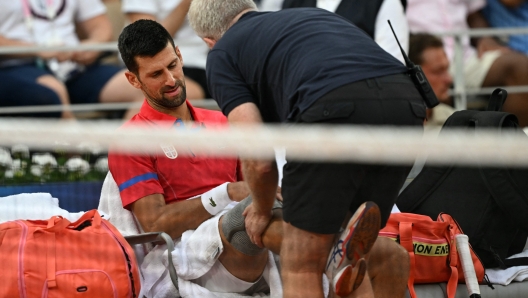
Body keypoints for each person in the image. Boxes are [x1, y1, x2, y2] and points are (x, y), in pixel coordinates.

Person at [188, 1, 422, 297]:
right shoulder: (310, 17)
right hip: (407, 108)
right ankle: (342, 254)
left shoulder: (222, 52)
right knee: (348, 254)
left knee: (302, 262)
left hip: (333, 110)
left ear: (209, 41)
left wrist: (260, 209)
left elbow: (257, 156)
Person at [109, 19, 285, 296]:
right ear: (133, 79)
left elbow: (252, 195)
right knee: (245, 215)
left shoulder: (223, 121)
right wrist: (225, 194)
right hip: (188, 257)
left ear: (180, 54)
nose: (170, 80)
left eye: (172, 65)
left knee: (277, 202)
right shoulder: (130, 139)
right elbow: (154, 224)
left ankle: (329, 246)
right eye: (156, 74)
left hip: (252, 245)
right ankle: (326, 251)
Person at [0, 0, 144, 119]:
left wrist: (93, 45)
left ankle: (119, 151)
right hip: (16, 64)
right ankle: (78, 152)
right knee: (53, 89)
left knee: (143, 86)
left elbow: (101, 28)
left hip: (73, 65)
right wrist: (36, 49)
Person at [406, 0, 528, 127]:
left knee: (521, 66)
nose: (448, 79)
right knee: (420, 76)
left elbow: (474, 14)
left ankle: (514, 141)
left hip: (465, 55)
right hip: (420, 55)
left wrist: (484, 38)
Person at [121, 0, 211, 100]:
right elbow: (148, 40)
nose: (171, 81)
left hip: (207, 62)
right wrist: (187, 3)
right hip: (161, 62)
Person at [281, 0, 409, 63]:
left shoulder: (385, 2)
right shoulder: (293, 2)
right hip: (297, 101)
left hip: (358, 100)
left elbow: (392, 65)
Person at [409, 33, 455, 127]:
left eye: (446, 69)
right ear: (413, 75)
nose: (449, 79)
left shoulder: (453, 120)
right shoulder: (388, 129)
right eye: (438, 71)